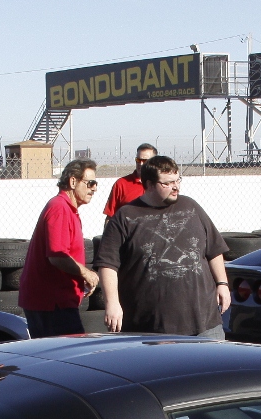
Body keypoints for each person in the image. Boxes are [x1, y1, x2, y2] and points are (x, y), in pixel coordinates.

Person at [97, 156, 230, 337]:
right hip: (150, 327)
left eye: (177, 180)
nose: (176, 187)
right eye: (167, 183)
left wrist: (222, 283)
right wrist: (112, 303)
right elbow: (107, 264)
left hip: (204, 323)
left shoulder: (191, 207)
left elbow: (214, 249)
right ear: (150, 185)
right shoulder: (125, 217)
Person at [19, 158, 100, 337]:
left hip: (55, 301)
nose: (94, 188)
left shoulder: (67, 209)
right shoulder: (60, 208)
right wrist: (86, 273)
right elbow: (57, 256)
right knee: (70, 351)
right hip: (51, 303)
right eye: (90, 183)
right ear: (73, 182)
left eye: (95, 184)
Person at [103, 143, 156, 219]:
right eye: (138, 160)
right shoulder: (121, 184)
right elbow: (110, 216)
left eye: (145, 161)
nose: (140, 164)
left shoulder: (161, 185)